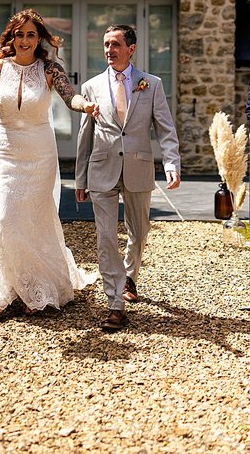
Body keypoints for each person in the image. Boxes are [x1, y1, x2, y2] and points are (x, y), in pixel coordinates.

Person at [0, 8, 99, 315]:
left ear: (39, 38)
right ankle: (3, 290)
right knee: (5, 217)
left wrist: (85, 105)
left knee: (35, 218)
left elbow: (69, 96)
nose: (24, 40)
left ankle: (41, 289)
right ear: (12, 36)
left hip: (39, 152)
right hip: (4, 151)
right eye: (19, 34)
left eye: (30, 34)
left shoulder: (50, 68)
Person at [74, 24, 181, 332]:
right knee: (106, 237)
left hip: (139, 168)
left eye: (116, 44)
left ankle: (130, 274)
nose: (109, 50)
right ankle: (115, 304)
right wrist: (80, 178)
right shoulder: (92, 86)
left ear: (131, 49)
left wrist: (171, 162)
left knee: (140, 231)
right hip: (101, 170)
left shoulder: (152, 84)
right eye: (106, 44)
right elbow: (85, 134)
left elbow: (166, 128)